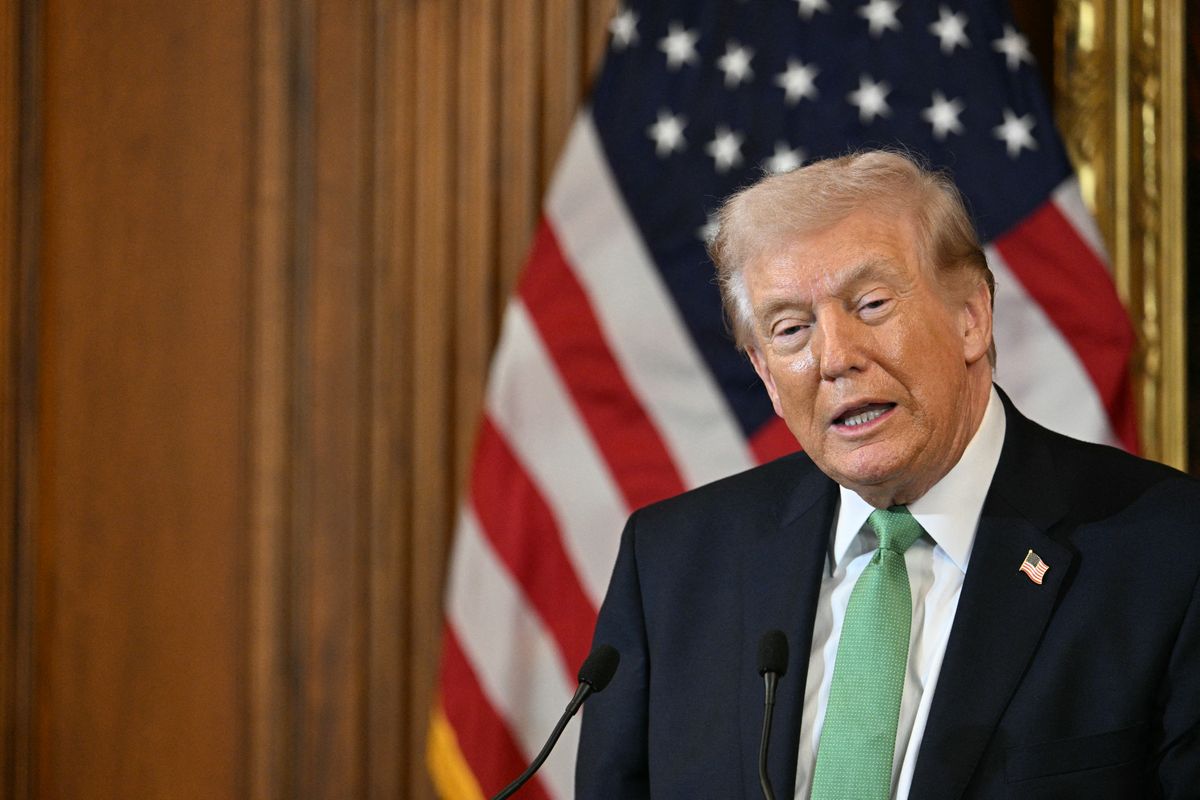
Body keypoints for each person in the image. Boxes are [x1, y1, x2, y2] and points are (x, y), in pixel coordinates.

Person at [575, 151, 1200, 799]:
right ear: (764, 371)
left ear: (972, 318)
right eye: (791, 329)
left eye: (871, 304)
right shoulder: (673, 566)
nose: (836, 358)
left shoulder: (1169, 555)